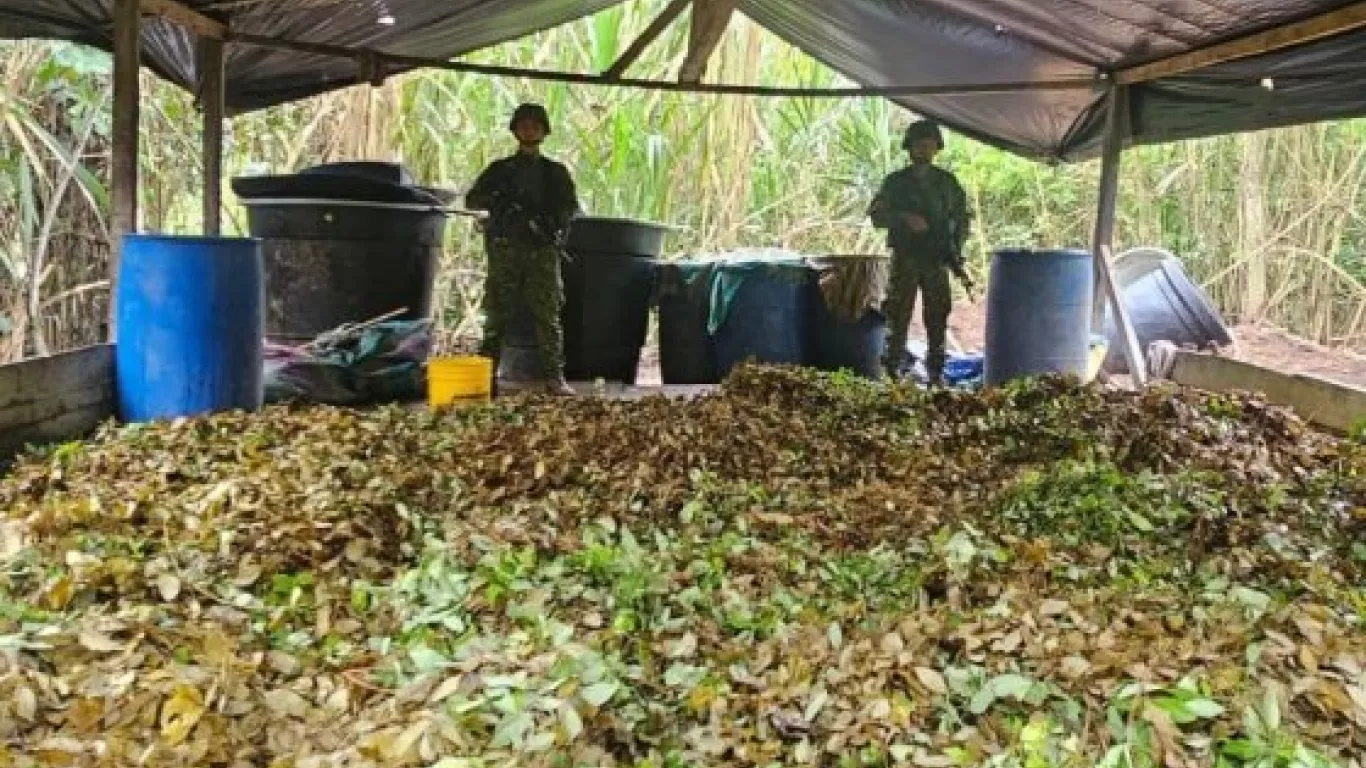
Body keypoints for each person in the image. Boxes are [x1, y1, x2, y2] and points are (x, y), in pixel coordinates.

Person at [466, 103, 580, 396]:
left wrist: (547, 225)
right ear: (515, 130)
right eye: (524, 125)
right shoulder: (500, 171)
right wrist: (501, 206)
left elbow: (568, 210)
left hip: (541, 251)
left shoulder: (555, 173)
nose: (529, 130)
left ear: (544, 131)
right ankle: (485, 377)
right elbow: (473, 200)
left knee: (548, 315)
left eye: (535, 126)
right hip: (505, 250)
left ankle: (555, 377)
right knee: (496, 316)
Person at [869, 119, 971, 386]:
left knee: (937, 317)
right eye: (919, 145)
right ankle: (891, 370)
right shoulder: (895, 183)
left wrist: (955, 252)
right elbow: (877, 216)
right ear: (910, 148)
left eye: (929, 145)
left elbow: (961, 221)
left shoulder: (947, 184)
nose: (924, 150)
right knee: (897, 315)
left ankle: (936, 373)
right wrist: (903, 217)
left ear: (936, 148)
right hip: (905, 258)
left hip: (937, 259)